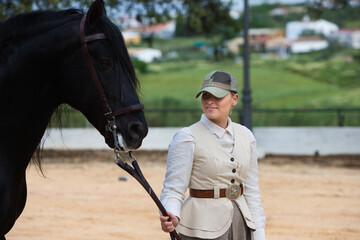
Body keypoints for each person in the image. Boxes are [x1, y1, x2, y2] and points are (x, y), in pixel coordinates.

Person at [159, 70, 266, 240]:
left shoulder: (247, 136)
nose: (210, 101)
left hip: (241, 225)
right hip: (200, 227)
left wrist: (259, 233)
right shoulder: (187, 137)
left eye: (218, 96)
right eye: (206, 95)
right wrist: (171, 212)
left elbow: (251, 191)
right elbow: (173, 188)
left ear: (234, 99)